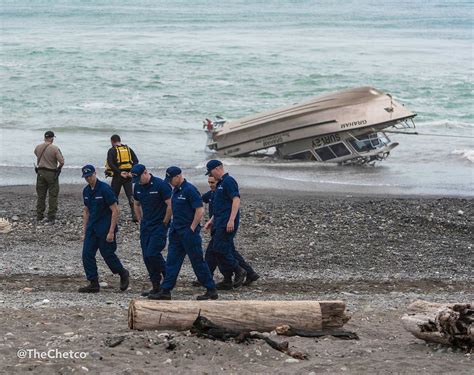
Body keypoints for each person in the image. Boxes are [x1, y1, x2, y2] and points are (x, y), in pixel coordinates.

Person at [149, 166, 217, 300]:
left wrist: (192, 227)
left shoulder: (189, 190)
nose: (169, 182)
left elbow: (200, 210)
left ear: (178, 176)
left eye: (171, 179)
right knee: (172, 261)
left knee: (197, 261)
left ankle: (211, 289)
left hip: (188, 232)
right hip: (176, 231)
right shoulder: (175, 190)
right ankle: (166, 290)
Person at [193, 175, 259, 288]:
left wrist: (230, 221)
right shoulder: (211, 194)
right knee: (229, 252)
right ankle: (250, 273)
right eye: (209, 183)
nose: (210, 185)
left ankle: (209, 277)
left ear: (217, 183)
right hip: (217, 226)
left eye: (212, 183)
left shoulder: (222, 191)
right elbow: (199, 199)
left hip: (223, 226)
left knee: (214, 251)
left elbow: (233, 203)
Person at [79, 165, 130, 293]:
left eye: (90, 176)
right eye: (86, 177)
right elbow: (86, 211)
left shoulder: (105, 189)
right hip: (92, 228)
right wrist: (84, 230)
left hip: (105, 227)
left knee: (107, 254)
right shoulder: (86, 191)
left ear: (95, 173)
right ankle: (93, 282)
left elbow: (115, 210)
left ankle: (122, 273)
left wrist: (111, 231)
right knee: (87, 254)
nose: (88, 179)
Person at [131, 164, 172, 297]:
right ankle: (155, 285)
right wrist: (139, 220)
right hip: (146, 226)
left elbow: (170, 204)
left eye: (139, 179)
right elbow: (136, 204)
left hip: (159, 225)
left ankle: (168, 276)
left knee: (152, 253)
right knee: (146, 257)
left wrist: (165, 221)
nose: (138, 182)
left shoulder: (160, 185)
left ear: (145, 173)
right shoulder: (137, 186)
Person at [34, 130, 65, 224]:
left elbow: (36, 153)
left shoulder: (38, 147)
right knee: (53, 195)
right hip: (51, 173)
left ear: (44, 138)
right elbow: (62, 161)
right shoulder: (55, 148)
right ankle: (51, 216)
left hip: (40, 172)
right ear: (52, 138)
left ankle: (39, 215)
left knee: (41, 195)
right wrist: (58, 168)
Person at [106, 134, 139, 221]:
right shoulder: (128, 149)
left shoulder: (112, 150)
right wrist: (130, 172)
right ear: (120, 140)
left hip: (118, 176)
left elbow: (110, 163)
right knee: (130, 195)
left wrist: (119, 172)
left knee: (114, 196)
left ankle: (113, 215)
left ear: (112, 141)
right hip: (128, 176)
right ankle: (135, 215)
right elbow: (136, 160)